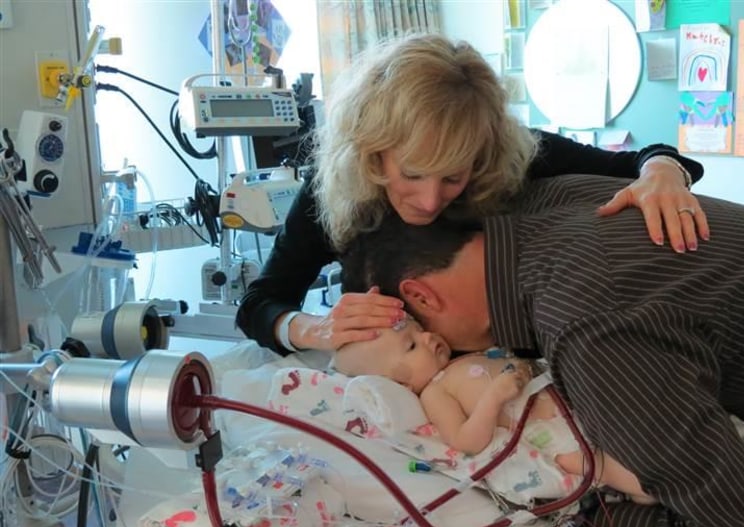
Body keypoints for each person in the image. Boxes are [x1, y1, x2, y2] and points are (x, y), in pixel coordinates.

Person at [338, 174, 744, 527]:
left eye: (414, 335)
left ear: (419, 297)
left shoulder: (587, 330)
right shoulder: (553, 195)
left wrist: (590, 517)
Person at [235, 33, 708, 356]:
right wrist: (311, 329)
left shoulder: (508, 154)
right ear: (372, 154)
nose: (429, 199)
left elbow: (641, 161)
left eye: (452, 178)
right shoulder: (334, 190)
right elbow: (259, 304)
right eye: (413, 174)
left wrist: (663, 171)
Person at [332, 316, 655, 505]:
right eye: (412, 345)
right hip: (546, 434)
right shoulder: (435, 392)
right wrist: (493, 398)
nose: (428, 337)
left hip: (564, 397)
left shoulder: (466, 355)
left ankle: (655, 472)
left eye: (419, 329)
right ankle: (649, 489)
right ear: (400, 385)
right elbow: (466, 441)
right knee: (595, 463)